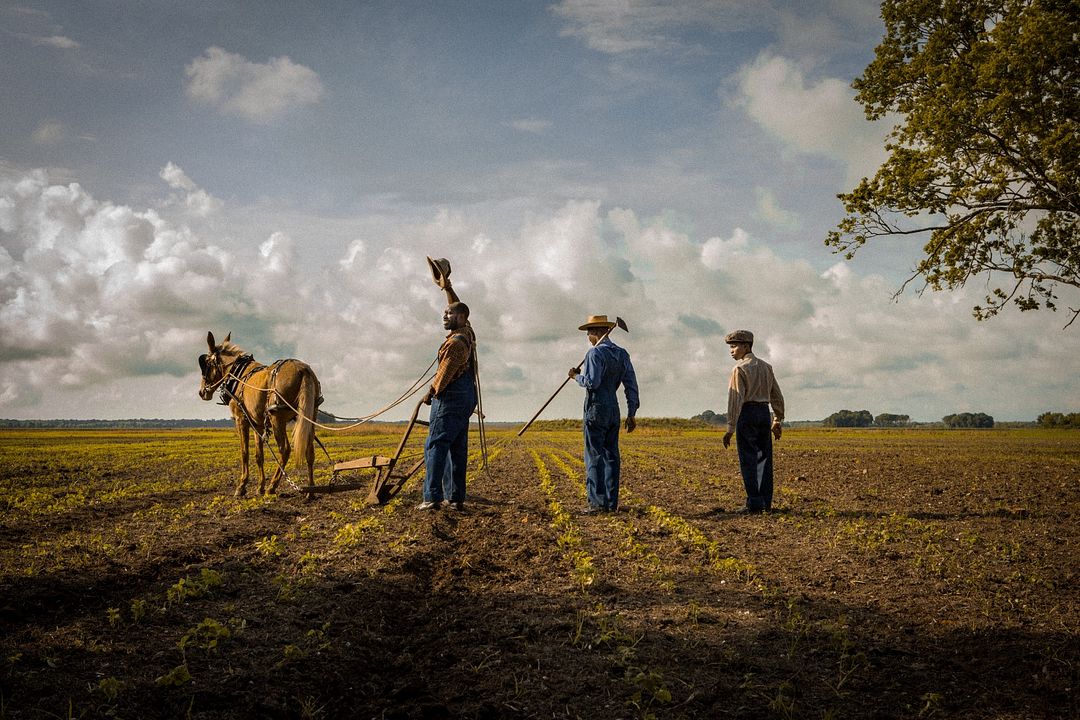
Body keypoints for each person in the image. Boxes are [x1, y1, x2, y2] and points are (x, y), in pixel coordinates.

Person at [568, 315, 639, 514]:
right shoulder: (622, 354)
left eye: (589, 333)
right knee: (611, 456)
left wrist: (575, 377)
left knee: (594, 456)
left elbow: (592, 382)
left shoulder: (594, 353)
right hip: (613, 410)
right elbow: (631, 384)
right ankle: (611, 503)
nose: (588, 337)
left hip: (595, 408)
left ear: (597, 332)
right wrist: (631, 412)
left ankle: (597, 504)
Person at [417, 301, 476, 511]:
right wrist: (446, 286)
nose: (444, 316)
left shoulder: (455, 343)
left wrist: (429, 393)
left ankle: (432, 497)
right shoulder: (469, 335)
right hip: (466, 399)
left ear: (461, 318)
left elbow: (443, 376)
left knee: (435, 445)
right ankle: (455, 498)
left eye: (449, 313)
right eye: (444, 312)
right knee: (457, 449)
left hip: (450, 399)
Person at [721, 329, 785, 514]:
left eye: (734, 346)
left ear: (746, 346)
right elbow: (777, 395)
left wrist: (730, 427)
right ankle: (766, 502)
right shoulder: (767, 367)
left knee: (748, 459)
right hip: (764, 413)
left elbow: (736, 399)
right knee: (764, 459)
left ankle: (754, 503)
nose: (731, 350)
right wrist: (777, 419)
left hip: (747, 414)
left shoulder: (739, 369)